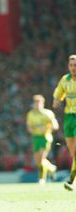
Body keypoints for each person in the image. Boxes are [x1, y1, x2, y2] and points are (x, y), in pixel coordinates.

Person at [53, 54, 76, 191]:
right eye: (72, 65)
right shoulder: (65, 80)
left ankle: (71, 180)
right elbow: (58, 95)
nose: (74, 68)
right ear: (69, 66)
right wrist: (56, 101)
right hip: (69, 118)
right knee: (73, 152)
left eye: (75, 65)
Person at [26, 94, 59, 185]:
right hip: (36, 137)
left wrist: (47, 128)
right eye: (35, 103)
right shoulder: (30, 114)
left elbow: (56, 126)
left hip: (45, 137)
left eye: (39, 103)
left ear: (43, 104)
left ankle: (42, 178)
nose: (37, 105)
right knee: (38, 161)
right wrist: (32, 129)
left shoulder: (48, 113)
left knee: (41, 158)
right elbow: (29, 128)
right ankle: (51, 168)